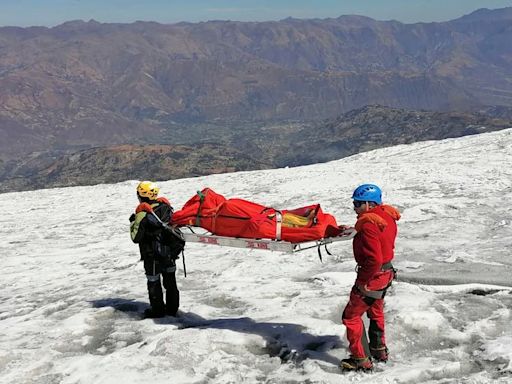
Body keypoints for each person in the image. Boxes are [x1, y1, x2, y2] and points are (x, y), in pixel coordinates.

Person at [340, 184, 401, 371]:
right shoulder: (386, 215)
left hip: (373, 276)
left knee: (351, 316)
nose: (355, 208)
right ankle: (378, 349)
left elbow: (373, 259)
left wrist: (362, 282)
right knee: (375, 311)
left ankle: (360, 359)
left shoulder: (368, 224)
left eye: (358, 204)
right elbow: (379, 236)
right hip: (386, 273)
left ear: (369, 204)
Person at [129, 181, 180, 318]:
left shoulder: (142, 214)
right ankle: (172, 310)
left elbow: (136, 237)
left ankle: (157, 311)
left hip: (152, 255)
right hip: (169, 253)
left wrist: (133, 222)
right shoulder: (166, 207)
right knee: (171, 282)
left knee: (154, 282)